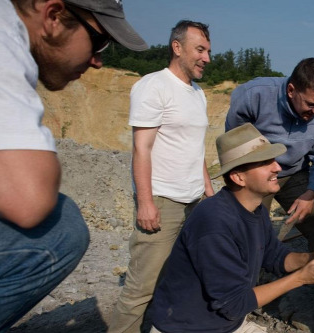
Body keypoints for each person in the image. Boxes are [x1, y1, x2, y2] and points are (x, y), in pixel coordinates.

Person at [0, 0, 147, 331]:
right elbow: (27, 200)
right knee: (61, 230)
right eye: (99, 41)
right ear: (54, 16)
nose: (98, 61)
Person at [148, 123, 314, 333]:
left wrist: (311, 258)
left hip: (226, 323)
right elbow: (234, 304)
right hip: (189, 328)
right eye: (265, 162)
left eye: (274, 160)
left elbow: (274, 256)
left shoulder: (254, 208)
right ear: (238, 177)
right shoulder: (214, 222)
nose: (277, 167)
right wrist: (300, 278)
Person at [225, 58, 314, 333]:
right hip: (256, 170)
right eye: (310, 105)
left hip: (296, 173)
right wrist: (250, 181)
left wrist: (312, 194)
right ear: (291, 90)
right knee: (244, 227)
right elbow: (235, 146)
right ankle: (239, 298)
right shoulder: (254, 96)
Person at [109, 20, 214, 332]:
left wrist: (209, 193)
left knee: (181, 276)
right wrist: (145, 203)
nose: (207, 58)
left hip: (194, 201)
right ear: (177, 47)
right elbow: (141, 148)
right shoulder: (153, 86)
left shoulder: (199, 94)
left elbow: (197, 149)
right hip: (163, 200)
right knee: (141, 288)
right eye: (200, 49)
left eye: (208, 50)